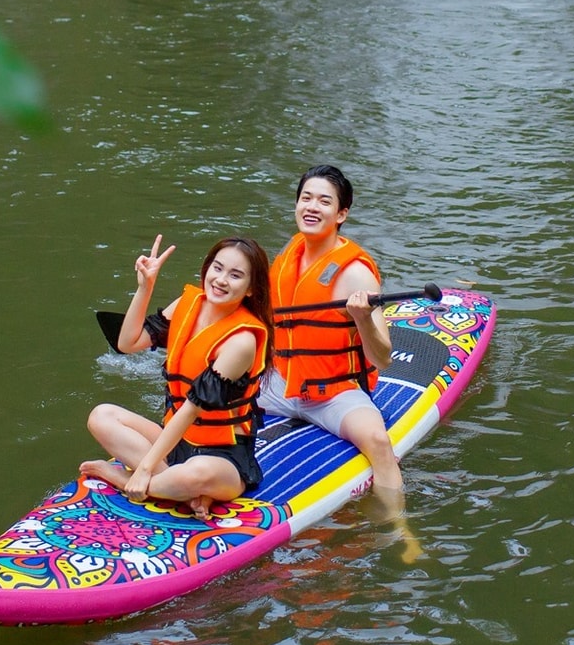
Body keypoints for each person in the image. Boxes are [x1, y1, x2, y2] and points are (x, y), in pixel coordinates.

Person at [82, 235, 273, 518]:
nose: (221, 280)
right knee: (101, 416)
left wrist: (144, 468)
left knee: (194, 474)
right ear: (206, 268)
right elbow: (127, 343)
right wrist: (145, 288)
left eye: (235, 275)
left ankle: (130, 482)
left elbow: (191, 408)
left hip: (223, 457)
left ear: (250, 289)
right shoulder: (188, 303)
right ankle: (184, 494)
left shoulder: (242, 340)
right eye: (217, 268)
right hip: (176, 445)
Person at [262, 165, 404, 509]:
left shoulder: (356, 274)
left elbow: (381, 358)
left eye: (324, 201)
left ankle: (399, 530)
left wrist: (363, 320)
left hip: (334, 395)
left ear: (341, 214)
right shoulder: (290, 254)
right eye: (305, 198)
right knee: (208, 397)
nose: (312, 207)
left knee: (379, 444)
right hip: (280, 383)